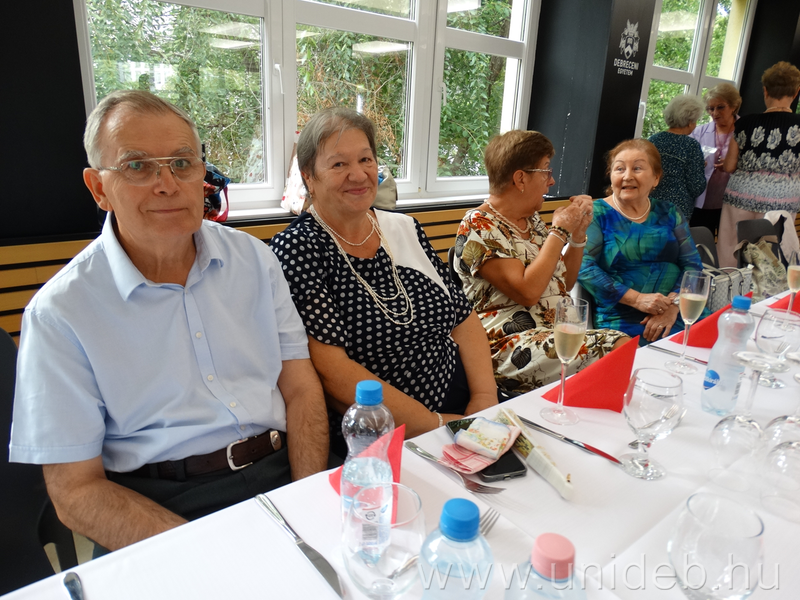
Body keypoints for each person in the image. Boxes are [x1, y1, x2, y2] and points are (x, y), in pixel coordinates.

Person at [8, 90, 329, 553]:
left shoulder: (255, 260)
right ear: (99, 188)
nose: (167, 184)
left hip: (283, 472)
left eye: (182, 163)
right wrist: (200, 554)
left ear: (202, 173)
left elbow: (300, 388)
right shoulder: (60, 313)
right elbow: (75, 492)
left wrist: (308, 502)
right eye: (137, 166)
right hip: (161, 504)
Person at [270, 108, 498, 451]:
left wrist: (484, 399)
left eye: (366, 159)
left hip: (464, 404)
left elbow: (463, 317)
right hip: (380, 432)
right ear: (309, 177)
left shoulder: (404, 227)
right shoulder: (298, 248)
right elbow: (331, 370)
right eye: (338, 164)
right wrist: (437, 425)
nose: (358, 174)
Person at [453, 130, 628, 394]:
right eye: (546, 171)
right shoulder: (478, 226)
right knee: (617, 347)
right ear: (520, 178)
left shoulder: (531, 221)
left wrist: (577, 236)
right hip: (509, 346)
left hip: (555, 334)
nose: (552, 181)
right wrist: (559, 231)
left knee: (620, 356)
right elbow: (528, 292)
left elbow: (564, 283)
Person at [578, 139, 705, 344]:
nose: (627, 176)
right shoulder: (596, 213)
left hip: (677, 310)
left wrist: (674, 305)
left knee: (716, 345)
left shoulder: (669, 212)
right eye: (620, 169)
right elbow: (583, 267)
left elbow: (693, 265)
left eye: (637, 168)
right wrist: (637, 299)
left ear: (656, 177)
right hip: (624, 317)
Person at [717, 61, 800, 268]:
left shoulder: (744, 123)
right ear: (796, 91)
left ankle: (726, 284)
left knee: (730, 247)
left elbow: (729, 166)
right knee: (770, 256)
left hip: (740, 194)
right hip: (782, 199)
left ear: (765, 90)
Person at [689, 83, 742, 236]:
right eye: (710, 109)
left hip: (730, 199)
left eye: (720, 107)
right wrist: (696, 163)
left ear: (733, 106)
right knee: (700, 242)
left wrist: (734, 164)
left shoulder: (745, 131)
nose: (714, 113)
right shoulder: (699, 132)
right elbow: (688, 159)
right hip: (703, 201)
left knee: (728, 243)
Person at [648, 94, 707, 222]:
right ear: (690, 122)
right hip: (677, 209)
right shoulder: (691, 145)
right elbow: (696, 186)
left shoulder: (653, 140)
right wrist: (700, 167)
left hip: (650, 203)